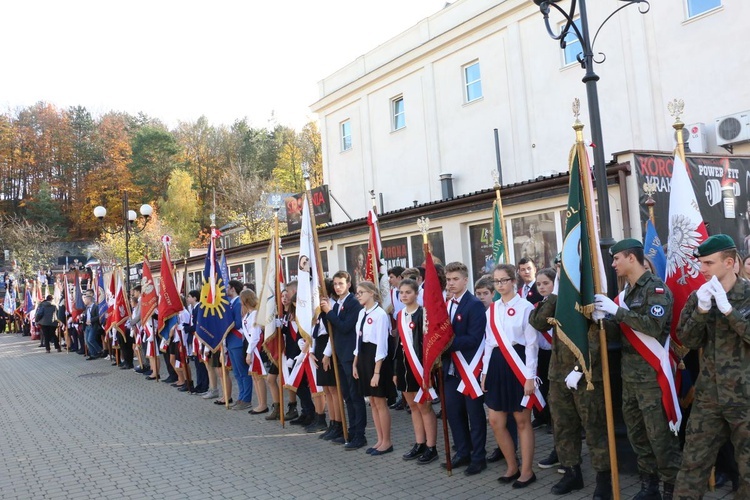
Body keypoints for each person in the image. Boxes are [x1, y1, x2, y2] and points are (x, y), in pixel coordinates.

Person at [594, 238, 680, 500]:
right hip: (630, 377)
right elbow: (623, 332)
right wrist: (603, 320)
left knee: (660, 438)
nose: (613, 264)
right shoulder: (627, 294)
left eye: (616, 258)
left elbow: (652, 327)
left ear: (631, 258)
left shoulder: (656, 290)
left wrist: (616, 312)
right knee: (638, 436)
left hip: (652, 378)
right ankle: (649, 484)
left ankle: (670, 487)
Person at [675, 235, 750, 499]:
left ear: (729, 262)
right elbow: (687, 340)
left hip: (745, 397)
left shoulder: (748, 295)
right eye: (701, 263)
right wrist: (702, 310)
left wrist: (730, 311)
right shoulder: (699, 297)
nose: (702, 270)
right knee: (693, 463)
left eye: (708, 263)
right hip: (709, 397)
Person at [482, 264, 539, 488]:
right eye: (496, 281)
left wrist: (530, 376)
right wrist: (485, 372)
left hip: (519, 364)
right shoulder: (492, 309)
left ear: (513, 281)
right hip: (496, 364)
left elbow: (532, 345)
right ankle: (511, 465)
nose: (500, 285)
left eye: (504, 280)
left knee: (522, 420)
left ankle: (526, 471)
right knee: (496, 420)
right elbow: (488, 342)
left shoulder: (526, 307)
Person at [442, 261, 488, 476]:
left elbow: (474, 338)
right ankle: (463, 451)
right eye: (448, 280)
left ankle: (479, 457)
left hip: (470, 368)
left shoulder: (474, 304)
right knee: (453, 413)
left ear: (465, 280)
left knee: (474, 415)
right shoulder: (447, 303)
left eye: (455, 279)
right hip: (451, 369)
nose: (451, 283)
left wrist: (447, 343)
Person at [393, 278, 438, 464]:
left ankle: (431, 446)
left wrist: (428, 371)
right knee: (412, 406)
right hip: (404, 365)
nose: (404, 296)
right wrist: (396, 370)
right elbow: (397, 345)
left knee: (424, 407)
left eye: (408, 292)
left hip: (420, 366)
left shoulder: (423, 314)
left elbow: (427, 345)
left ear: (416, 294)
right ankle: (419, 443)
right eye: (401, 292)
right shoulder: (400, 315)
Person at [320, 271, 366, 449]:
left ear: (348, 284)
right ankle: (351, 431)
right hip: (340, 354)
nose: (338, 287)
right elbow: (331, 327)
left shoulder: (353, 303)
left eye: (341, 283)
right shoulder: (338, 303)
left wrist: (329, 312)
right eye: (336, 284)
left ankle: (359, 435)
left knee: (355, 396)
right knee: (346, 396)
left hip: (350, 355)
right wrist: (325, 313)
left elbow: (346, 327)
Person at [352, 280, 393, 455]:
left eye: (361, 292)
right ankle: (379, 439)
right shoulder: (362, 313)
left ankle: (387, 442)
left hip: (377, 360)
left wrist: (377, 372)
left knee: (380, 401)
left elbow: (382, 345)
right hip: (363, 358)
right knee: (373, 403)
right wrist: (355, 363)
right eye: (357, 293)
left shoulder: (380, 314)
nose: (358, 295)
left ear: (371, 293)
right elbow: (358, 340)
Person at [225, 280, 254, 411]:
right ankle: (241, 397)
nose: (226, 289)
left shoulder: (237, 303)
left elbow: (238, 323)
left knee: (243, 372)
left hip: (237, 340)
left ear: (233, 289)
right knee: (236, 372)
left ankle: (246, 399)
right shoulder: (232, 304)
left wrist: (225, 325)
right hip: (231, 341)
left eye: (228, 287)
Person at [242, 289, 268, 415]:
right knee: (254, 376)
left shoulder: (256, 314)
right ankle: (259, 403)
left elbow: (255, 335)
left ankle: (263, 404)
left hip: (256, 347)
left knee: (258, 376)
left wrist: (249, 352)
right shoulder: (248, 314)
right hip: (250, 346)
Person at [83, 291, 104, 360]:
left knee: (91, 339)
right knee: (87, 340)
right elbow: (86, 315)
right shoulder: (86, 308)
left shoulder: (95, 307)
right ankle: (93, 354)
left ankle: (100, 350)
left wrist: (91, 320)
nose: (84, 301)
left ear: (89, 299)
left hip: (93, 325)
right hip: (87, 326)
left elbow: (99, 316)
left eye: (85, 299)